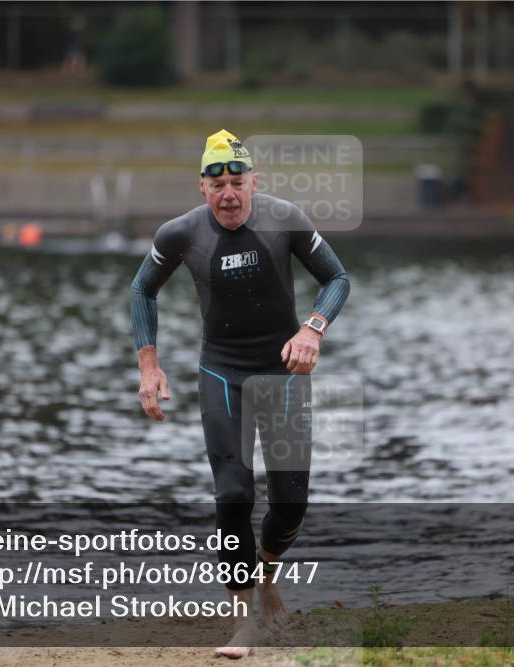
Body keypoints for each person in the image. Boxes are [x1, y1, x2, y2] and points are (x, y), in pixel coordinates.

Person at [129, 130, 350, 658]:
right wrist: (149, 365)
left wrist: (312, 329)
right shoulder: (180, 233)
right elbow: (142, 289)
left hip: (283, 372)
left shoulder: (285, 219)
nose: (229, 194)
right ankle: (244, 618)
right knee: (232, 495)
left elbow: (337, 278)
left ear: (254, 182)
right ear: (202, 188)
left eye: (237, 182)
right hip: (221, 372)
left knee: (291, 503)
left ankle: (268, 575)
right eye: (217, 184)